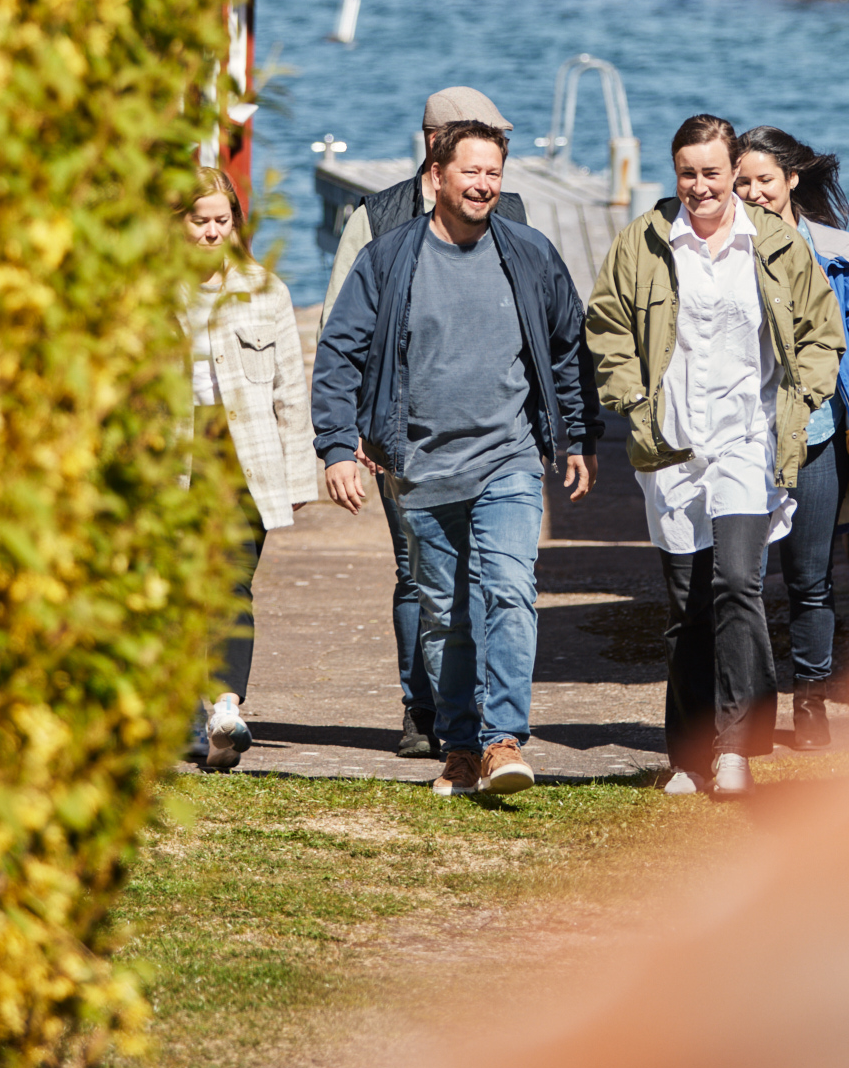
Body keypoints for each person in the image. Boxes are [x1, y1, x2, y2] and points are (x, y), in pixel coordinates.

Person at [313, 119, 593, 797]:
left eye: (494, 172)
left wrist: (578, 436)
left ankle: (503, 741)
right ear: (437, 175)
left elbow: (567, 345)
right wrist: (337, 445)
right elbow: (340, 352)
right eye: (472, 171)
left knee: (510, 589)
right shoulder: (389, 259)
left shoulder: (528, 252)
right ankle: (461, 745)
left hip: (509, 458)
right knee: (446, 614)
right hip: (421, 465)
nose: (484, 184)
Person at [585, 114, 843, 799]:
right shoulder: (644, 241)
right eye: (687, 173)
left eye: (712, 172)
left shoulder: (776, 244)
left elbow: (823, 331)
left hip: (748, 440)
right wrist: (630, 396)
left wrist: (804, 394)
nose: (700, 186)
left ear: (734, 171)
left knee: (737, 583)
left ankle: (737, 748)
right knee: (687, 605)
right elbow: (606, 322)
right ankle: (690, 755)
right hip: (671, 444)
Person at [322, 86, 532, 759]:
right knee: (420, 575)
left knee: (493, 579)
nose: (488, 171)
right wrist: (353, 433)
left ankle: (482, 723)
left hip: (497, 437)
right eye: (474, 146)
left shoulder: (511, 216)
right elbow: (339, 327)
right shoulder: (376, 218)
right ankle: (423, 709)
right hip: (401, 435)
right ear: (435, 147)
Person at [732, 125, 849, 750]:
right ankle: (747, 708)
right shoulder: (716, 248)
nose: (754, 192)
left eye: (764, 180)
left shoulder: (836, 252)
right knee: (738, 580)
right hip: (741, 437)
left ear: (792, 179)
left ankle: (811, 702)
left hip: (818, 434)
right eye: (742, 182)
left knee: (811, 578)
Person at [179, 166, 323, 771]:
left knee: (232, 581)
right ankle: (185, 714)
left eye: (223, 220)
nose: (213, 232)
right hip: (175, 458)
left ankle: (224, 706)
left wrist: (298, 476)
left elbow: (291, 389)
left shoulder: (266, 291)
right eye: (200, 221)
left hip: (245, 457)